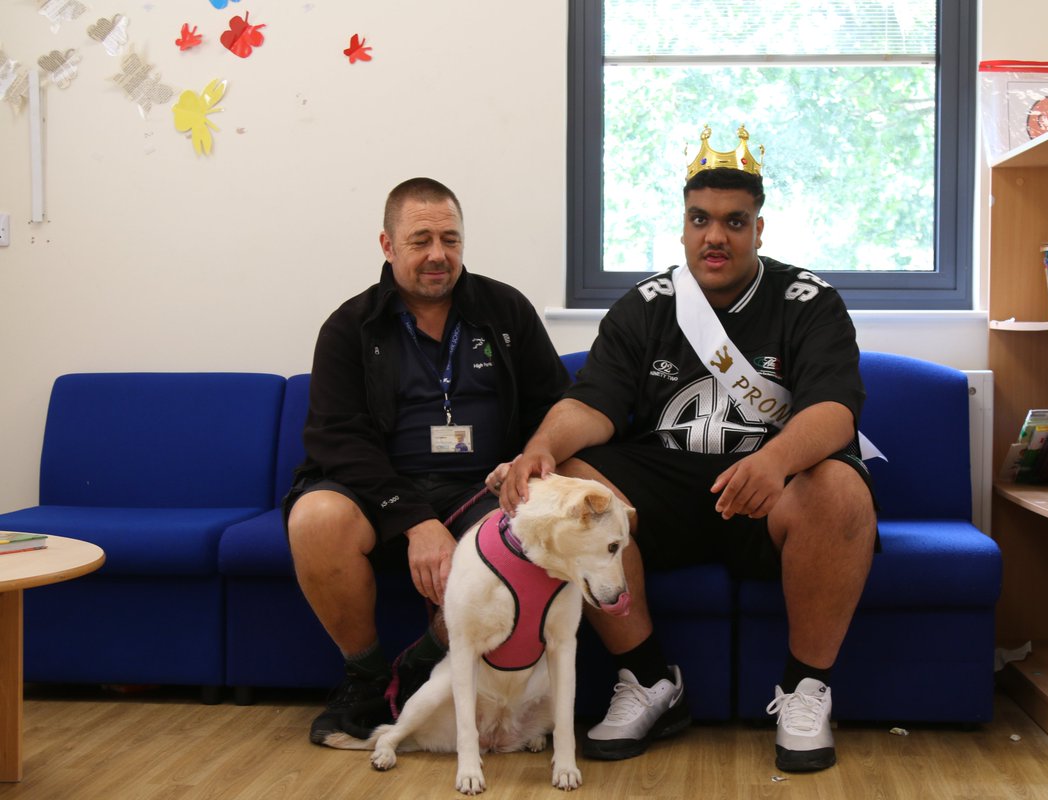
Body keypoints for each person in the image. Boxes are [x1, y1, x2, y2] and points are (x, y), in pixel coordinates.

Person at [496, 126, 878, 773]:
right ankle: (649, 681)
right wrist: (542, 448)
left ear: (759, 229)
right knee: (570, 485)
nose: (715, 236)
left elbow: (834, 411)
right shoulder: (645, 306)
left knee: (841, 487)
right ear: (683, 228)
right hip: (665, 493)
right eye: (700, 219)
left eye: (734, 222)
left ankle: (805, 690)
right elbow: (592, 404)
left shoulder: (809, 301)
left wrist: (776, 460)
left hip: (767, 489)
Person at [285, 177, 569, 745]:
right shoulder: (349, 326)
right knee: (315, 518)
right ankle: (366, 679)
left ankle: (419, 667)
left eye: (450, 239)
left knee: (530, 533)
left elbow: (555, 404)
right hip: (378, 490)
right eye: (420, 240)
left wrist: (525, 459)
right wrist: (414, 519)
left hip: (483, 489)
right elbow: (336, 437)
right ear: (388, 246)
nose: (438, 254)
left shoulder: (506, 311)